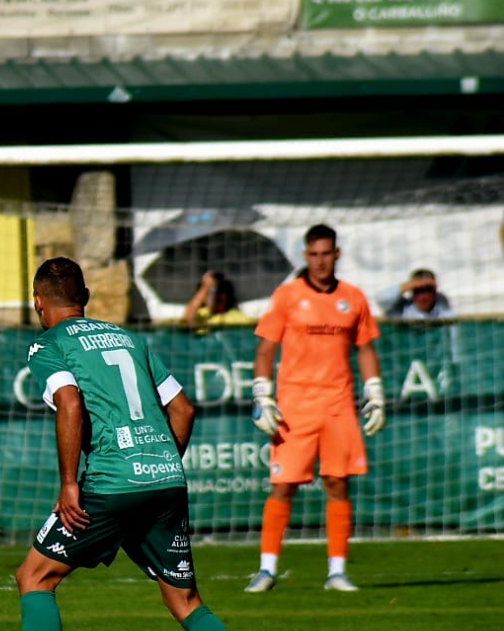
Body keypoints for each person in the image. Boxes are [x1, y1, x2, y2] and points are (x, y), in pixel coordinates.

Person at [0, 257, 265, 631]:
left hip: (110, 482)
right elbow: (184, 409)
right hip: (165, 478)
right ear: (85, 297)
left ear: (38, 302)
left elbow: (70, 403)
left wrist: (69, 484)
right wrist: (158, 464)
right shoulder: (129, 338)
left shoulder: (48, 344)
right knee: (185, 599)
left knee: (34, 577)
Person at [247, 224, 383, 594]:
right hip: (295, 405)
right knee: (283, 485)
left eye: (326, 254)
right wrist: (262, 394)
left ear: (336, 254)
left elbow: (365, 348)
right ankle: (266, 570)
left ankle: (337, 572)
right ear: (305, 256)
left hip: (338, 404)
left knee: (338, 483)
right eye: (314, 255)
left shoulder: (353, 297)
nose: (320, 261)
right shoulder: (288, 295)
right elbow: (265, 349)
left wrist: (375, 391)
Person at [181, 270, 252, 335]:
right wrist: (206, 287)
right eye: (210, 292)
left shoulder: (236, 316)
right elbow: (187, 322)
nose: (215, 296)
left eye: (221, 291)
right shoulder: (200, 314)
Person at [381, 268, 456, 322]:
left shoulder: (441, 306)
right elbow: (382, 299)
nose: (423, 297)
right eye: (418, 291)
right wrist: (410, 285)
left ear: (434, 292)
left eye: (428, 290)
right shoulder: (402, 309)